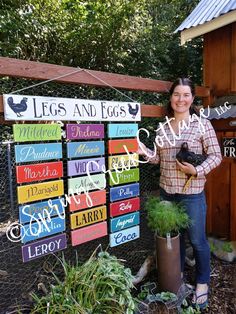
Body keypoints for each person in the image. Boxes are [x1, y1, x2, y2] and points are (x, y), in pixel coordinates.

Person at [138, 77, 222, 309]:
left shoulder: (201, 124)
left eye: (186, 95)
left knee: (197, 241)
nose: (181, 99)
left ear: (192, 99)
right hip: (167, 195)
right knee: (175, 241)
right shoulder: (163, 127)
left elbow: (216, 156)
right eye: (177, 95)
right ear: (171, 98)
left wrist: (196, 170)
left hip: (192, 193)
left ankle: (203, 283)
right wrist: (144, 151)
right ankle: (178, 279)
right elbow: (158, 159)